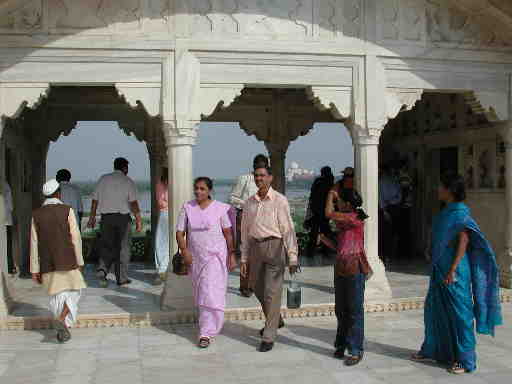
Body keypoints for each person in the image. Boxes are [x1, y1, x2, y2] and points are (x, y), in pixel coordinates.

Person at [411, 173, 502, 374]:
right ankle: (433, 349)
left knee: (460, 314)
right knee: (435, 311)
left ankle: (465, 360)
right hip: (439, 269)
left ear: (450, 191)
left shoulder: (460, 214)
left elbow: (463, 241)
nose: (437, 189)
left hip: (455, 271)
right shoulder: (446, 212)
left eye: (441, 186)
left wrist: (452, 269)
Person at [240, 164, 299, 352]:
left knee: (271, 293)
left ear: (270, 178)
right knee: (256, 287)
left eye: (263, 175)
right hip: (256, 248)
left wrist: (292, 256)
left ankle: (269, 335)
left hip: (275, 246)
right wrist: (244, 258)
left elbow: (288, 228)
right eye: (256, 176)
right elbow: (245, 232)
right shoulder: (249, 203)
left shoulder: (280, 200)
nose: (259, 179)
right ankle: (276, 319)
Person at [176, 177, 237, 348]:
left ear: (209, 191)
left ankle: (205, 332)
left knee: (210, 291)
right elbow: (180, 233)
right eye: (196, 188)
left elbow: (228, 233)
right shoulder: (188, 207)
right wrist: (185, 251)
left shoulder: (219, 209)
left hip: (216, 258)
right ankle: (210, 326)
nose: (198, 192)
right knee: (203, 293)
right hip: (196, 259)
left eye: (202, 189)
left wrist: (231, 254)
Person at [30, 179, 86, 343]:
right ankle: (62, 319)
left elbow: (34, 242)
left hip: (47, 262)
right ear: (58, 193)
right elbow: (76, 238)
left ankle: (63, 328)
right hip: (68, 259)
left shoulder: (36, 214)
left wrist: (34, 269)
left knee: (56, 296)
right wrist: (80, 260)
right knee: (75, 292)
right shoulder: (66, 210)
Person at [326, 187, 371, 366]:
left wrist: (330, 195)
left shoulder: (355, 218)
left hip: (355, 268)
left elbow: (329, 213)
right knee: (341, 309)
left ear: (348, 204)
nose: (338, 203)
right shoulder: (345, 222)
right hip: (341, 267)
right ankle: (342, 343)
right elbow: (341, 244)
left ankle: (355, 349)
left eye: (340, 201)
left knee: (354, 310)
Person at [87, 157, 142, 287]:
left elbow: (95, 200)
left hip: (106, 218)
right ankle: (121, 278)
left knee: (107, 245)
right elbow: (133, 203)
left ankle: (102, 270)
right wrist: (139, 220)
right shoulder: (128, 181)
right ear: (125, 168)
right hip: (123, 219)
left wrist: (92, 217)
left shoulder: (103, 179)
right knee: (124, 247)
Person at [230, 154, 269, 297]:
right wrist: (247, 203)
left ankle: (257, 285)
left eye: (263, 166)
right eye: (258, 165)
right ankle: (245, 286)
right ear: (253, 167)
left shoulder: (267, 180)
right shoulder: (245, 179)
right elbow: (232, 197)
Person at [306, 166, 334, 257]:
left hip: (317, 211)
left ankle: (311, 251)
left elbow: (312, 197)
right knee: (325, 232)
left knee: (315, 233)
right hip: (323, 211)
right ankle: (326, 250)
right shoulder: (329, 181)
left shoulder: (318, 181)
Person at [378, 165, 401, 264]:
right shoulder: (394, 180)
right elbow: (399, 196)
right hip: (392, 207)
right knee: (390, 233)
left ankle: (386, 254)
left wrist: (384, 210)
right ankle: (388, 255)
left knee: (386, 233)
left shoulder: (382, 181)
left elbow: (380, 198)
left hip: (387, 208)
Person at [153, 168, 169, 285]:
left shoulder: (171, 182)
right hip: (165, 213)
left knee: (165, 242)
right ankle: (162, 269)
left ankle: (163, 268)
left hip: (171, 213)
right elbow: (160, 202)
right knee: (162, 241)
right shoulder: (161, 184)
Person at [3, 180, 15, 274]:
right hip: (6, 220)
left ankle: (9, 267)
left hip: (6, 221)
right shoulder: (5, 184)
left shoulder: (5, 184)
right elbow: (11, 207)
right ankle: (10, 267)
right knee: (8, 245)